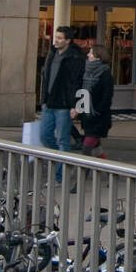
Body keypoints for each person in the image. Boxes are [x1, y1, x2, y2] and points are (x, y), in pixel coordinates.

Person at [38, 26, 85, 175]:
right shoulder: (52, 53)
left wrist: (75, 105)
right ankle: (60, 161)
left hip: (64, 104)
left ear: (68, 40)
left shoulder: (76, 57)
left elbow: (77, 82)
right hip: (49, 101)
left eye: (59, 38)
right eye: (55, 37)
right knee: (44, 135)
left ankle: (60, 175)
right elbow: (46, 76)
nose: (55, 40)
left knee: (63, 140)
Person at [76, 44, 113, 158]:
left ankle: (80, 174)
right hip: (87, 116)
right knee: (97, 151)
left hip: (98, 118)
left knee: (86, 150)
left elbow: (107, 96)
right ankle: (106, 171)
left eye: (91, 53)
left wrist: (97, 111)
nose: (88, 55)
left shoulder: (105, 74)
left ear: (99, 56)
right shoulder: (86, 71)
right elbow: (81, 90)